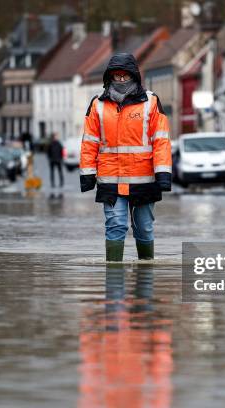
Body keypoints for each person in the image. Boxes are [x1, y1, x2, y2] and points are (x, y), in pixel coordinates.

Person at [79, 53, 172, 262]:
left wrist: (163, 173)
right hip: (111, 180)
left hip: (144, 180)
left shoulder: (151, 102)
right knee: (115, 225)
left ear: (134, 76)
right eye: (116, 76)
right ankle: (114, 286)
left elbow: (161, 141)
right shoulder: (98, 105)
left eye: (125, 76)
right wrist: (87, 174)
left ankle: (145, 283)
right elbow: (89, 143)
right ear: (109, 77)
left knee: (144, 228)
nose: (121, 80)